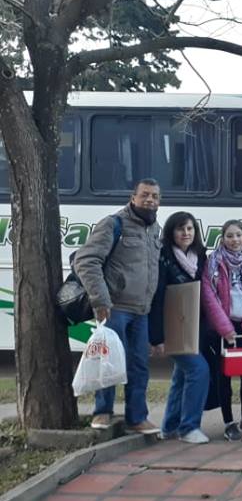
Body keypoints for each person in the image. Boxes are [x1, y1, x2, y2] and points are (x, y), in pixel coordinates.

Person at [76, 178, 162, 434]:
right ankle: (102, 412)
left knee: (139, 367)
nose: (150, 200)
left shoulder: (155, 229)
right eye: (145, 195)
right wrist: (101, 300)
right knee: (108, 362)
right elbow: (86, 261)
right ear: (133, 197)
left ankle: (137, 418)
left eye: (155, 196)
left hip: (141, 311)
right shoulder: (114, 224)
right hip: (114, 308)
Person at [201, 220, 242, 441]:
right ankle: (229, 422)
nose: (234, 240)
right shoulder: (213, 261)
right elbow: (209, 298)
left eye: (238, 235)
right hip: (223, 330)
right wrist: (226, 329)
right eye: (229, 236)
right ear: (222, 238)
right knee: (224, 378)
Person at [149, 211, 210, 443]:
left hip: (193, 327)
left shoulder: (200, 256)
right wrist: (157, 338)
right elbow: (157, 298)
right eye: (180, 229)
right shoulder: (163, 257)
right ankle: (189, 428)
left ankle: (170, 427)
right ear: (171, 232)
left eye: (190, 228)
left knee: (182, 375)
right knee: (199, 370)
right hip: (170, 327)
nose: (186, 233)